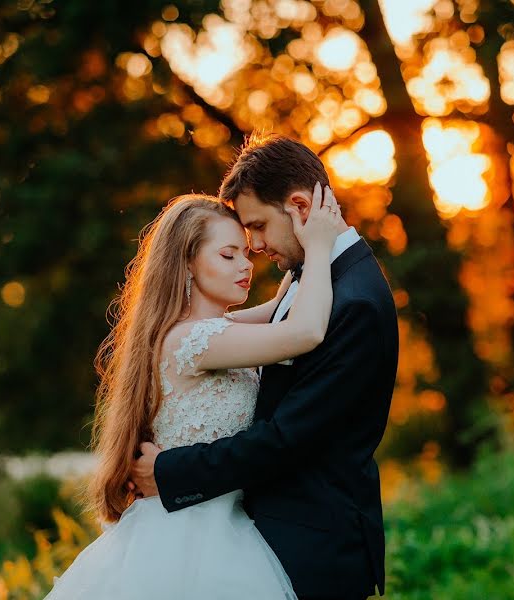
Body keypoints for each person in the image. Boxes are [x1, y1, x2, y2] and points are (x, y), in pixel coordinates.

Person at [130, 135, 400, 600]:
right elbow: (231, 329)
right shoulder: (310, 281)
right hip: (249, 540)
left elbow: (287, 438)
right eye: (234, 246)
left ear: (299, 207)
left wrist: (173, 472)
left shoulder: (353, 303)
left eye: (256, 227)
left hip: (313, 546)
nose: (254, 247)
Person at [45, 187, 346, 599]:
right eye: (228, 255)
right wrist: (319, 245)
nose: (245, 265)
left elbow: (280, 309)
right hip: (189, 539)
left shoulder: (200, 332)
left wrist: (294, 246)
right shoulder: (195, 341)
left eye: (246, 253)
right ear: (186, 263)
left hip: (219, 524)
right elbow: (306, 330)